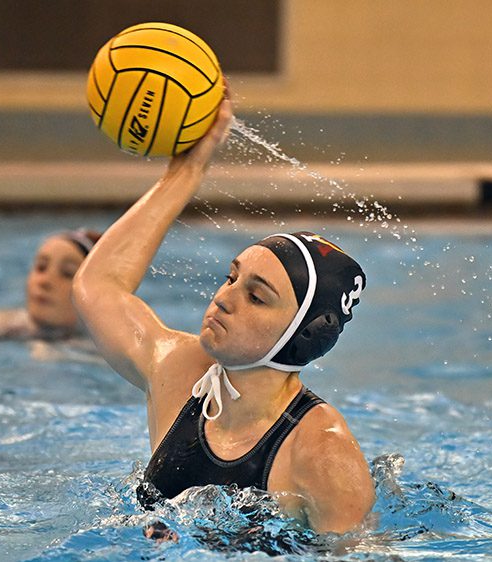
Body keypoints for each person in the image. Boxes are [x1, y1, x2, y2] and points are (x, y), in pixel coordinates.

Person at [72, 95, 375, 536]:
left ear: (303, 333)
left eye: (256, 296)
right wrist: (186, 171)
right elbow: (97, 287)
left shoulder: (323, 457)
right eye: (231, 278)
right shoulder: (179, 370)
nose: (224, 298)